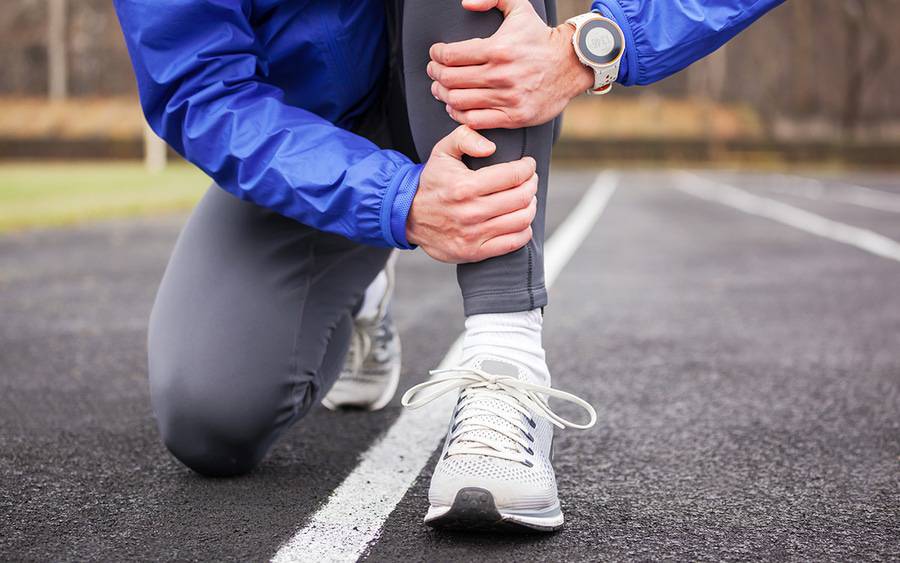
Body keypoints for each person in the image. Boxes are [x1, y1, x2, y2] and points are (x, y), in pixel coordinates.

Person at [114, 0, 783, 531]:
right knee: (210, 416)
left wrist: (595, 43)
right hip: (317, 137)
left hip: (463, 74)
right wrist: (389, 198)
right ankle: (362, 285)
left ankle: (504, 361)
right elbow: (201, 89)